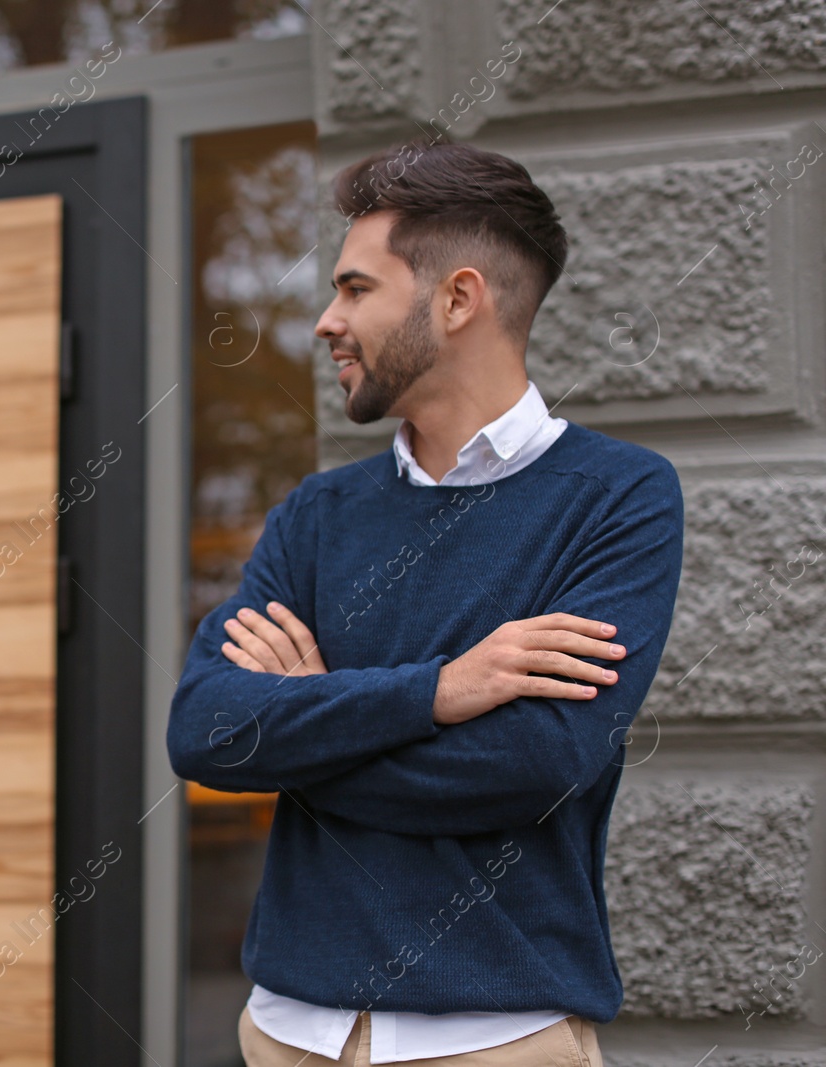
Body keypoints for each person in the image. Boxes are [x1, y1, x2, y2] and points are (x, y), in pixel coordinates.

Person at [167, 139, 683, 1066]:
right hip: (286, 1033)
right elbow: (205, 730)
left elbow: (531, 765)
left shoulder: (618, 497)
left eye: (356, 289)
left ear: (457, 300)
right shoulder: (318, 514)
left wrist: (310, 724)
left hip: (496, 1040)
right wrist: (437, 692)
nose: (326, 320)